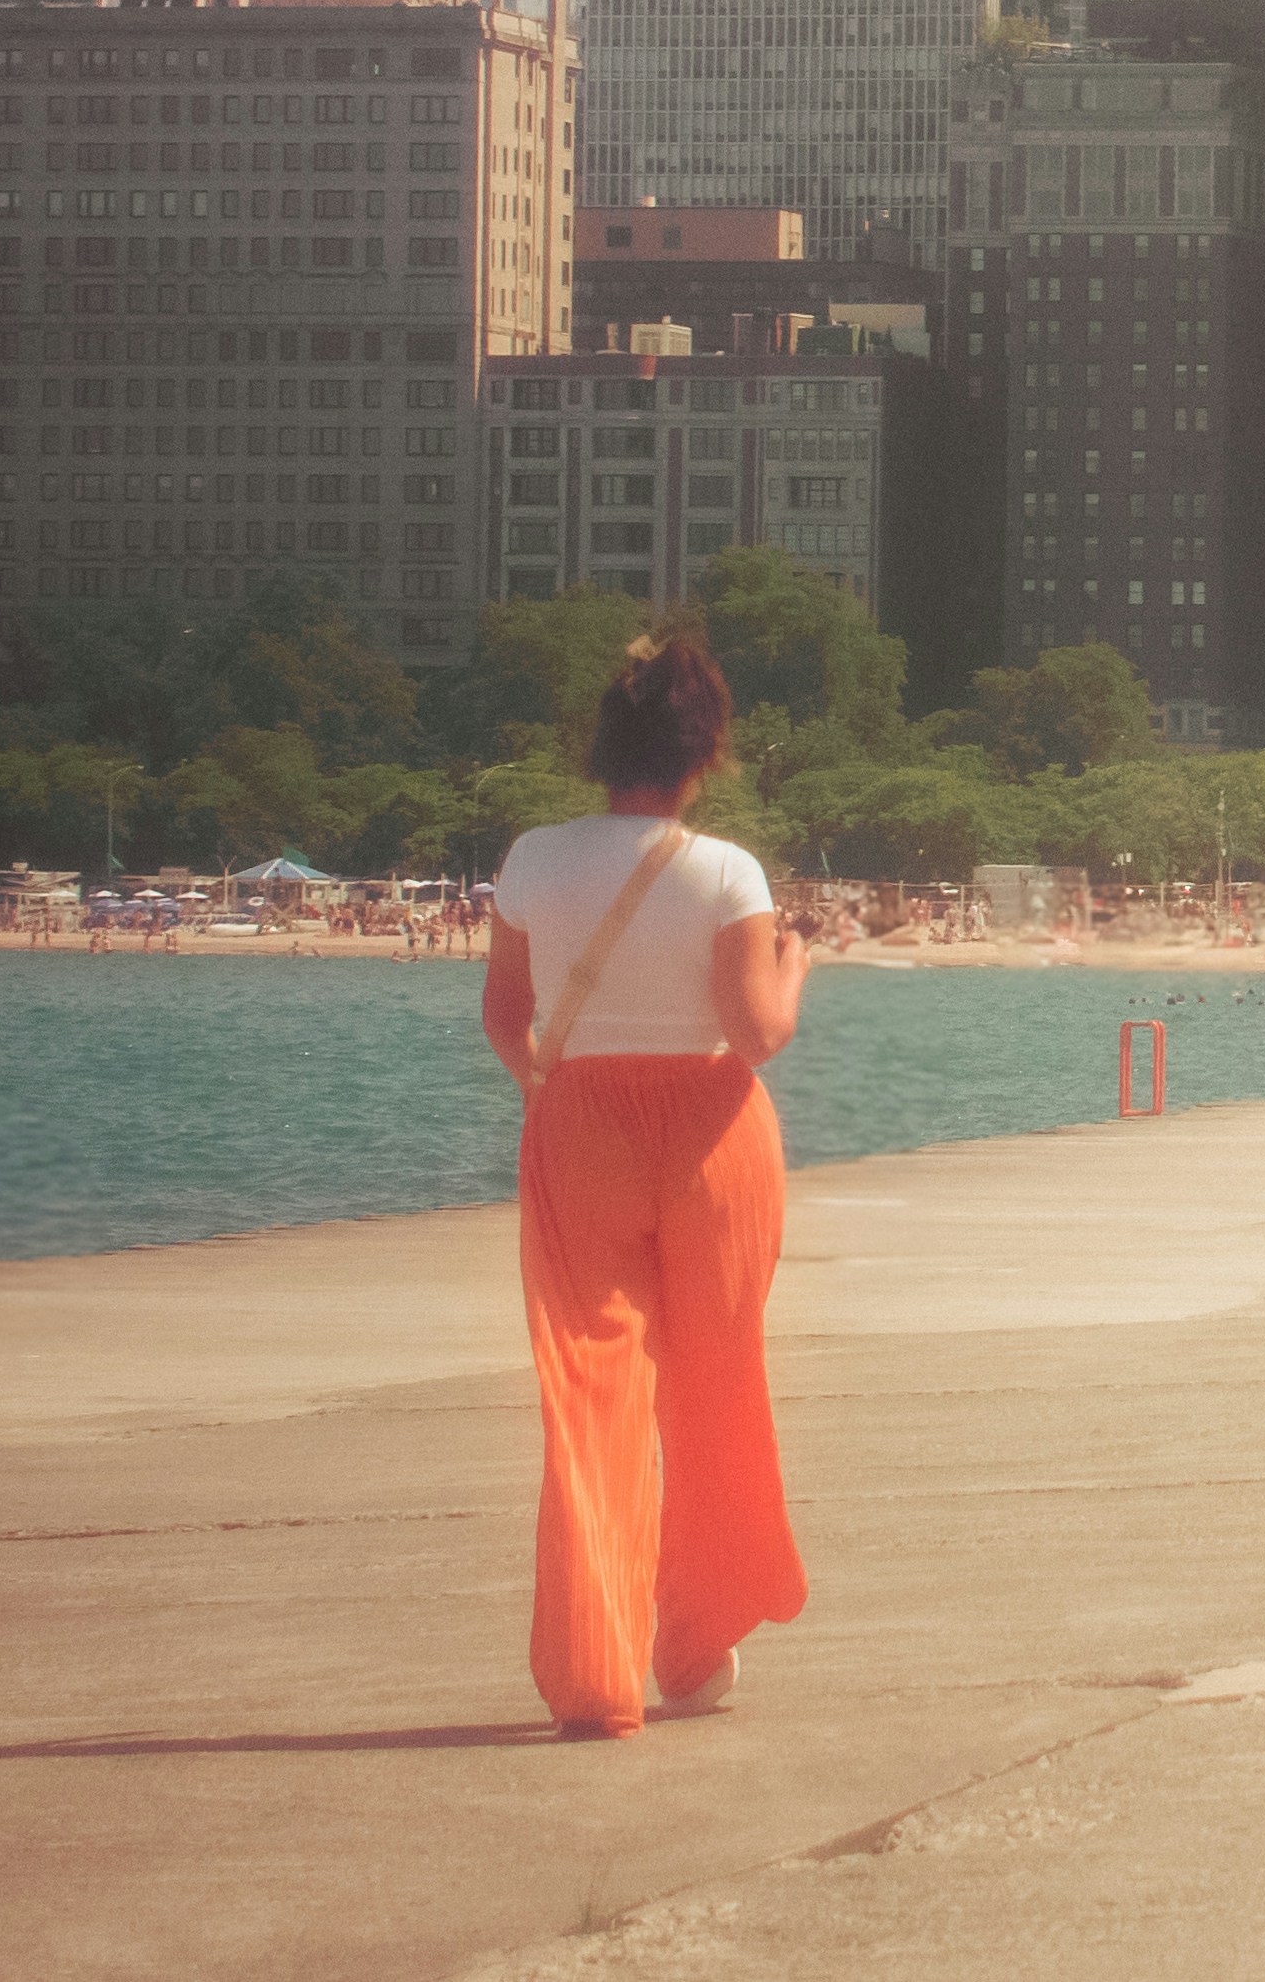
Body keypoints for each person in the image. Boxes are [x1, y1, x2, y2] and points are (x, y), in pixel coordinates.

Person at [478, 629, 811, 1737]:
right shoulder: (726, 872)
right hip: (714, 1129)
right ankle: (694, 1642)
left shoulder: (533, 859)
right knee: (714, 1382)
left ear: (603, 744)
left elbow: (506, 1018)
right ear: (704, 751)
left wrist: (558, 1090)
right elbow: (756, 1033)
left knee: (590, 1384)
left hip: (581, 1120)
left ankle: (592, 1671)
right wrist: (794, 966)